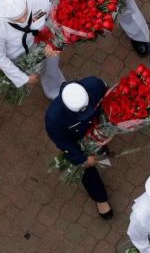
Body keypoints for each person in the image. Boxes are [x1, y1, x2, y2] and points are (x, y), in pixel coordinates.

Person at [45, 78, 114, 219]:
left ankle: (101, 147)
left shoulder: (96, 84)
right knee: (85, 167)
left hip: (96, 125)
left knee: (100, 143)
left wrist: (110, 129)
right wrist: (83, 159)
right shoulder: (53, 120)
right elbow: (64, 143)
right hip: (75, 139)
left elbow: (109, 103)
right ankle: (100, 198)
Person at [0, 0, 65, 99]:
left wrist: (54, 41)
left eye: (25, 13)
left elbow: (53, 13)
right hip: (22, 57)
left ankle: (55, 91)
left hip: (45, 41)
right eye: (16, 18)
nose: (23, 19)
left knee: (52, 69)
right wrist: (23, 78)